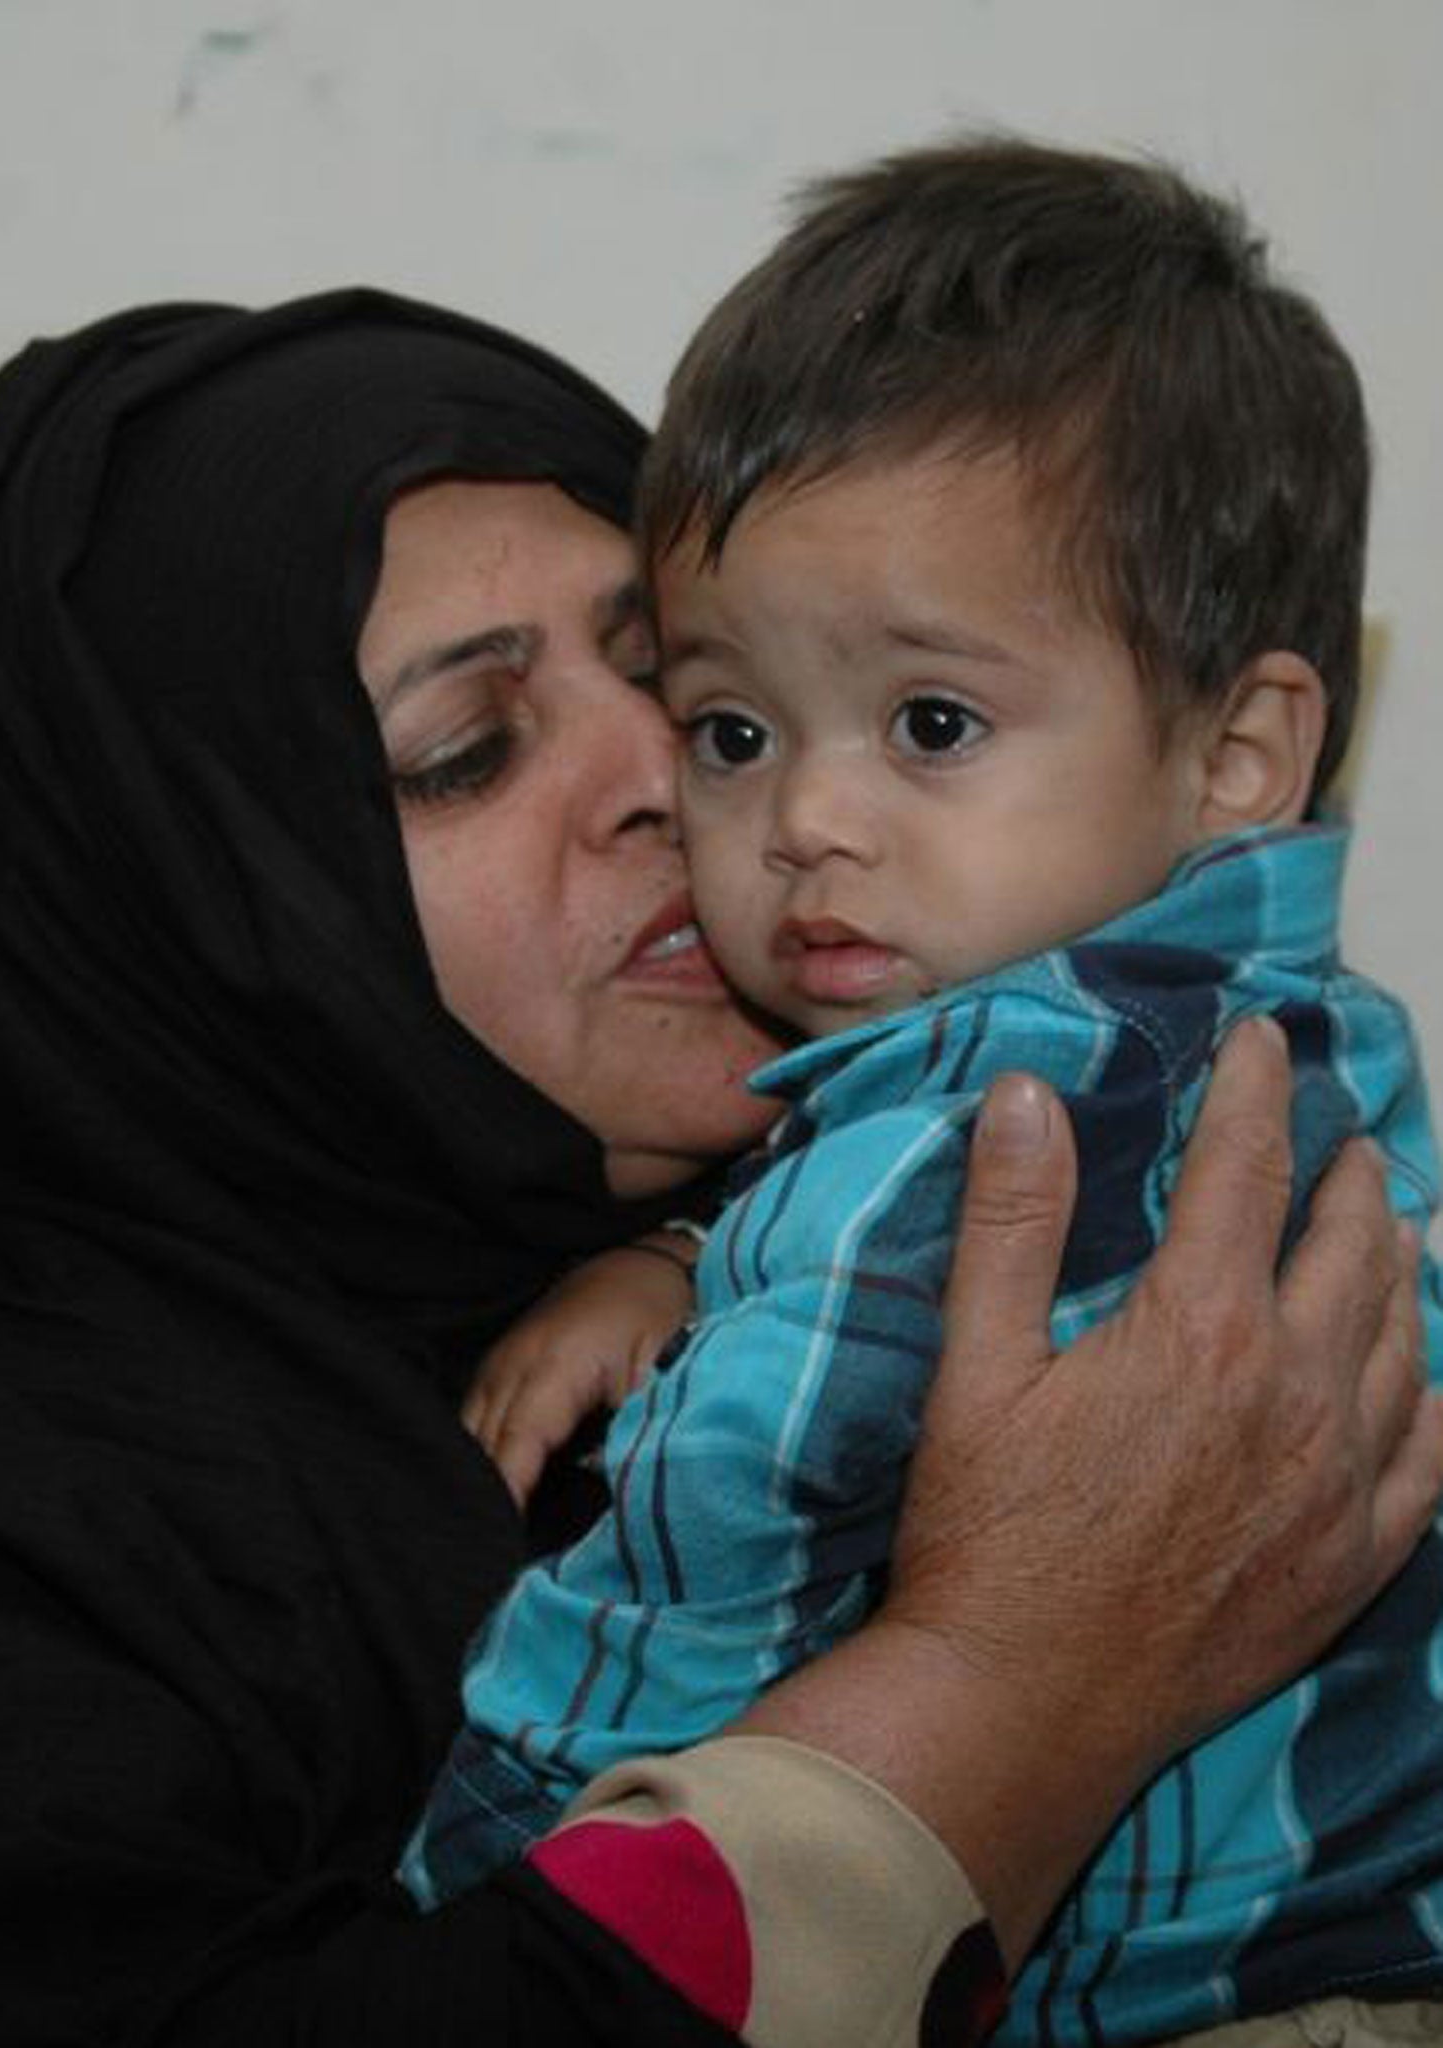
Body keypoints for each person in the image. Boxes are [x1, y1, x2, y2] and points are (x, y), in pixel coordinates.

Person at [0, 285, 1437, 2048]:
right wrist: (1013, 1692)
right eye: (464, 752)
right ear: (186, 913)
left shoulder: (1068, 1147)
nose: (704, 793)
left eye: (684, 690)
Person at [406, 144, 1443, 2042]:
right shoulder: (1284, 1033)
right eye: (733, 730)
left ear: (1239, 752)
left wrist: (485, 1860)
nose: (802, 819)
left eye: (934, 725)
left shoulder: (1010, 1097)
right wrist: (678, 1259)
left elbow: (718, 1550)